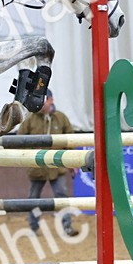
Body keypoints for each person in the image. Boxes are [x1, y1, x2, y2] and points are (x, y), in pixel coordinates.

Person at [15, 90, 79, 236]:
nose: (42, 103)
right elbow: (20, 139)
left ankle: (67, 226)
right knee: (34, 198)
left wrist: (73, 162)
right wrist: (32, 148)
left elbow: (70, 140)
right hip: (36, 167)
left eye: (45, 100)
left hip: (57, 166)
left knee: (61, 196)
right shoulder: (29, 118)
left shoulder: (61, 118)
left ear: (51, 100)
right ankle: (34, 226)